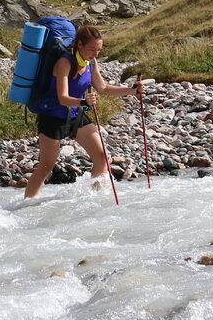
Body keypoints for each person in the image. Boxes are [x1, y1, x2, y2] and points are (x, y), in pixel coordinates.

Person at [23, 24, 143, 198]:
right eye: (93, 49)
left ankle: (92, 200)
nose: (96, 54)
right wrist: (83, 101)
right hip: (52, 117)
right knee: (46, 167)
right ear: (79, 44)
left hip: (75, 115)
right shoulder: (64, 63)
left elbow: (103, 88)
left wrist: (132, 90)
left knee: (102, 158)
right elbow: (63, 98)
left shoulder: (91, 63)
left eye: (99, 50)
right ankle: (25, 206)